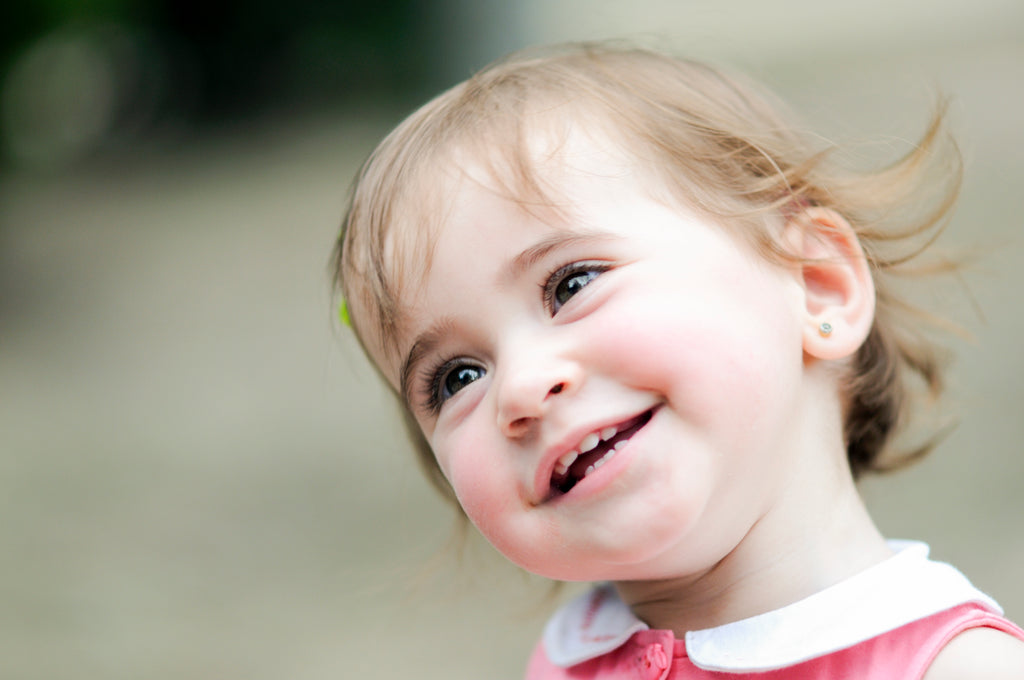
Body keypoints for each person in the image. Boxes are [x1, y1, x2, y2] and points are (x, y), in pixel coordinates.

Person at [331, 43, 1024, 679]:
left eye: (571, 285)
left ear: (816, 283)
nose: (520, 387)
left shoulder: (955, 668)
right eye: (457, 378)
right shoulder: (570, 656)